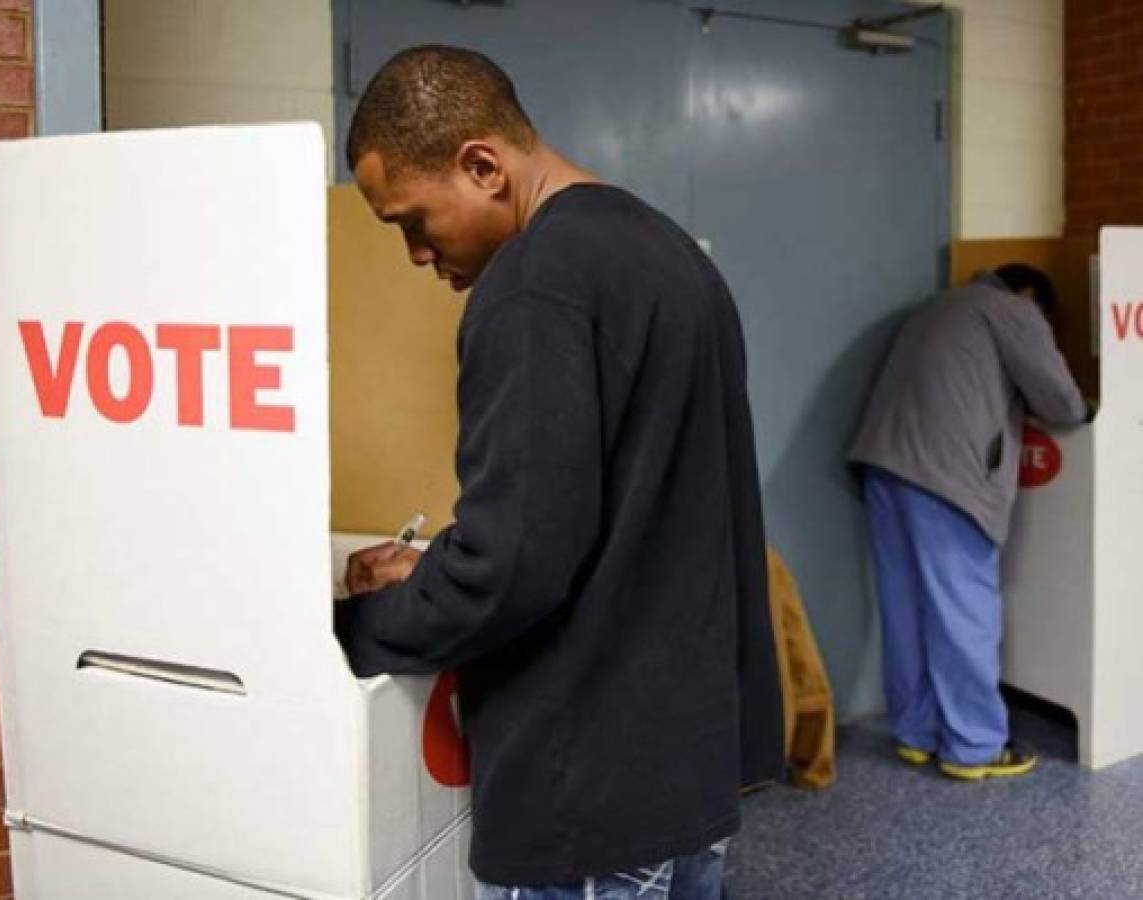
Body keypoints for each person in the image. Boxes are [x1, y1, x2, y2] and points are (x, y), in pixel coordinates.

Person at [333, 45, 783, 898]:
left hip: (592, 792)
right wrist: (437, 566)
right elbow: (627, 517)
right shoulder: (667, 252)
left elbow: (514, 566)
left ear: (481, 165)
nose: (415, 256)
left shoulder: (531, 288)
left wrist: (354, 629)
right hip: (685, 765)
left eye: (411, 222)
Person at [849, 264, 1087, 781]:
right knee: (964, 610)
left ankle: (916, 733)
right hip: (945, 477)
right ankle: (973, 745)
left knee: (906, 608)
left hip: (884, 467)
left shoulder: (937, 305)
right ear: (1030, 295)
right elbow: (1064, 402)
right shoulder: (1014, 311)